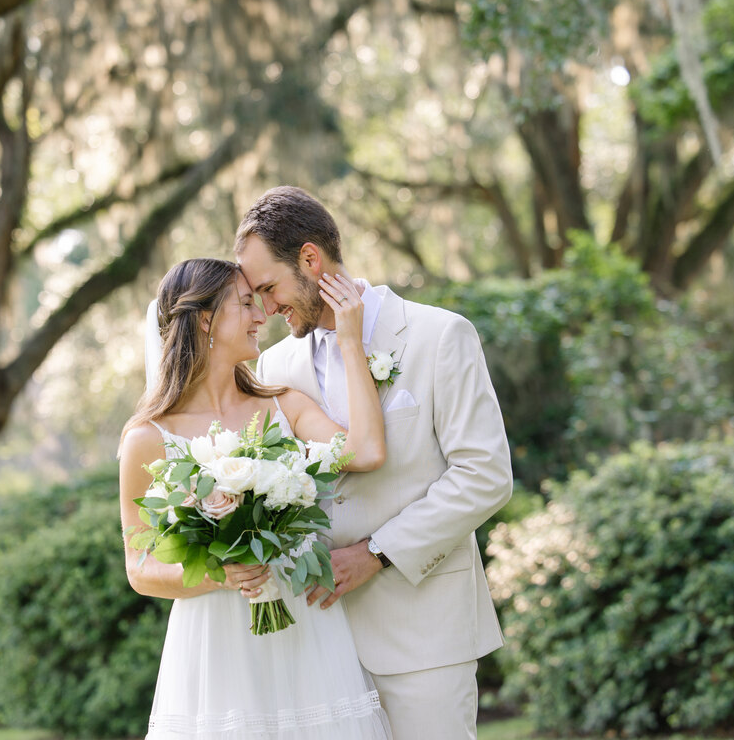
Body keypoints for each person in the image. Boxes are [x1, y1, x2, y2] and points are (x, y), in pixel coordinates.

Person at [235, 186, 513, 740]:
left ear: (311, 260)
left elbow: (485, 476)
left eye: (269, 288)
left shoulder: (439, 336)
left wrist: (377, 554)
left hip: (424, 633)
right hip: (316, 640)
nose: (265, 309)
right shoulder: (274, 366)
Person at [118, 258, 392, 739]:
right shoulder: (147, 437)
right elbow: (140, 568)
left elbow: (366, 451)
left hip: (304, 626)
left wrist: (350, 340)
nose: (262, 314)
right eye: (246, 303)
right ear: (205, 320)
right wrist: (219, 573)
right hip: (217, 643)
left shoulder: (284, 404)